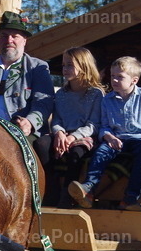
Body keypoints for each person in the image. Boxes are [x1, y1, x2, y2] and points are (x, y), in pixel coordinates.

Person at [68, 56, 141, 210]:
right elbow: (104, 126)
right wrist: (108, 136)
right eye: (112, 76)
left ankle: (131, 198)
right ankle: (88, 189)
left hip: (140, 139)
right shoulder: (107, 100)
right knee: (101, 152)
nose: (114, 80)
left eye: (120, 77)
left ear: (134, 80)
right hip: (117, 138)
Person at [32, 47, 104, 206]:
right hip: (63, 134)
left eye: (70, 65)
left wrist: (73, 137)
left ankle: (67, 194)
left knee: (76, 153)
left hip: (85, 136)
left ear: (84, 66)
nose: (65, 69)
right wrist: (59, 134)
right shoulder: (61, 94)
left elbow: (94, 124)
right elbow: (56, 119)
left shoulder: (95, 94)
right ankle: (51, 189)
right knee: (41, 144)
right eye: (64, 65)